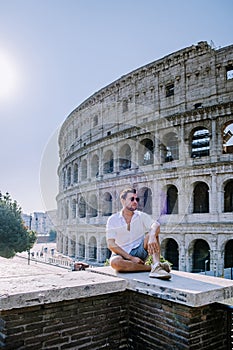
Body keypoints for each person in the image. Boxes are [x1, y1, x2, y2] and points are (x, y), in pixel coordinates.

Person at [106, 187, 171, 279]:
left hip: (139, 251)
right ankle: (152, 268)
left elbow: (155, 224)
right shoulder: (113, 219)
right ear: (123, 201)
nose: (135, 201)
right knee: (115, 263)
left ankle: (156, 265)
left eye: (137, 199)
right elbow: (111, 244)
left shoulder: (141, 216)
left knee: (153, 232)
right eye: (131, 199)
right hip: (121, 253)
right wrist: (131, 258)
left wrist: (152, 236)